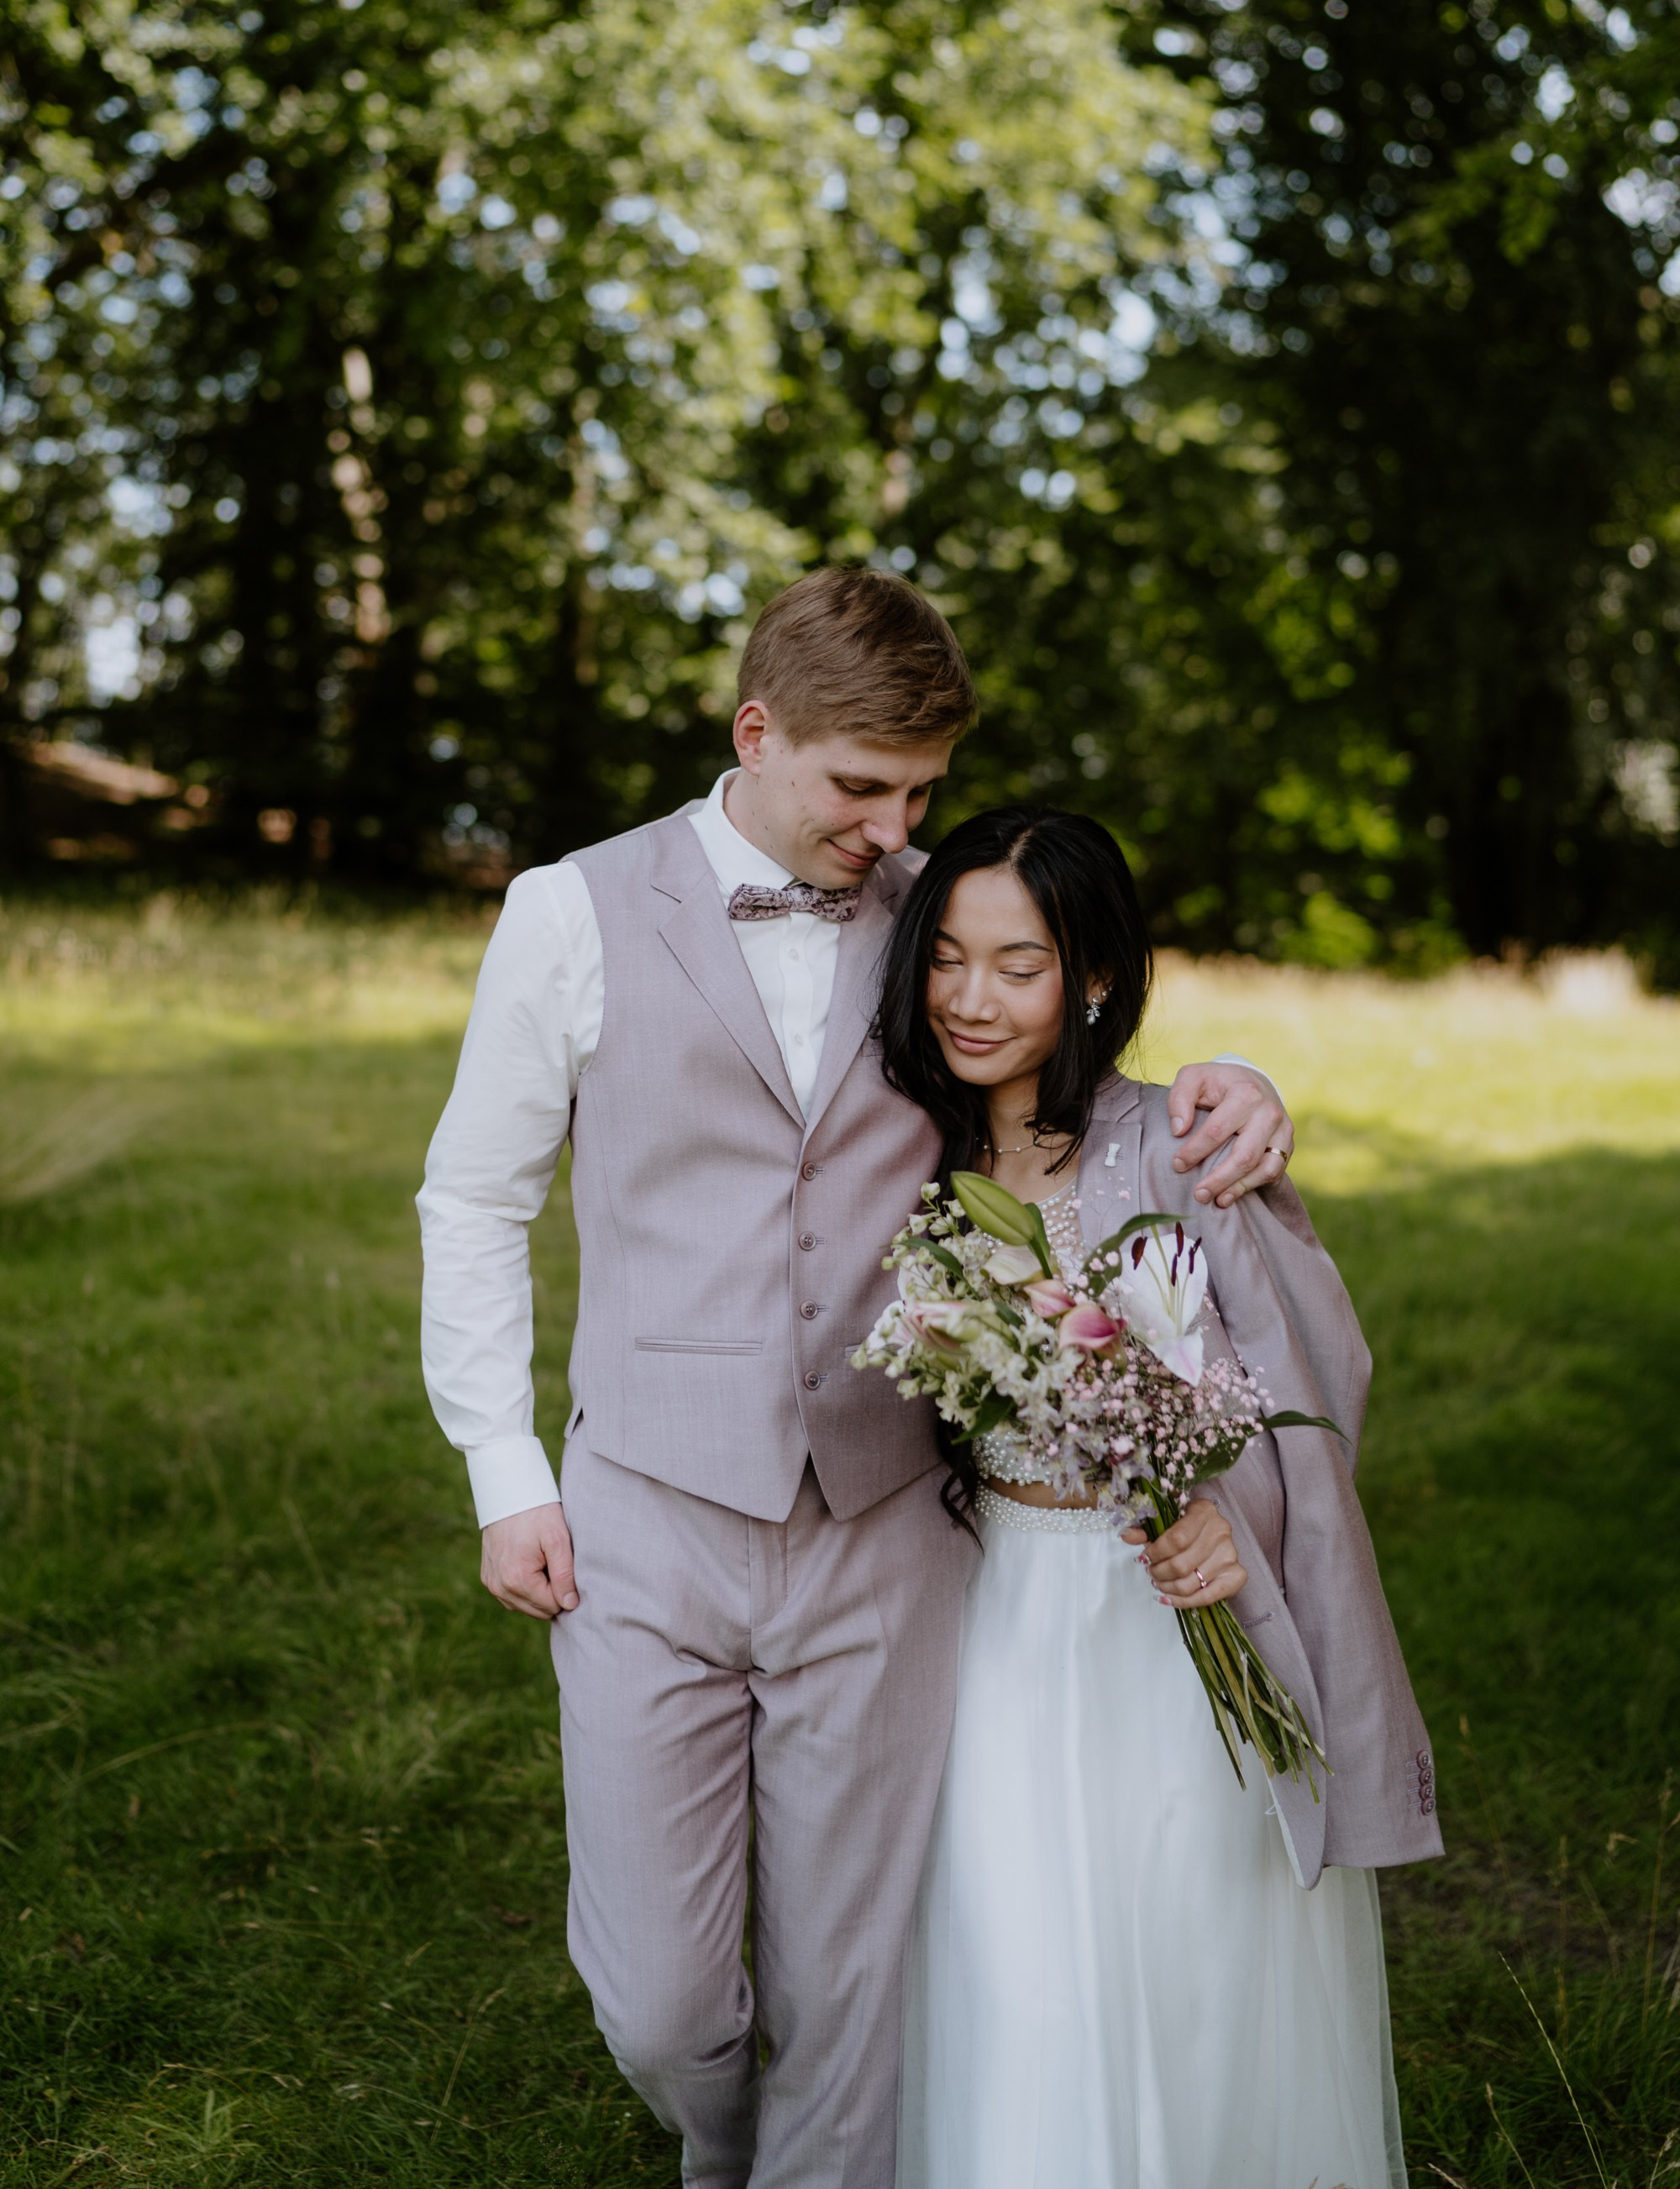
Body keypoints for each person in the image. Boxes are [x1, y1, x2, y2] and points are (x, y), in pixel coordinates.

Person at [417, 570, 1296, 2189]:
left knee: (852, 1994)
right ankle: (722, 2152)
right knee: (667, 2007)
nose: (895, 831)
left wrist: (1241, 1079)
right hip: (644, 1518)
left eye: (922, 796)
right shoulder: (568, 910)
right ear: (757, 733)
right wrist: (504, 1470)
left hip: (887, 1522)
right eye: (864, 788)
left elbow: (1072, 1046)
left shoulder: (928, 915)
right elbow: (474, 1201)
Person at [876, 805, 1441, 2189]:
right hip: (993, 1608)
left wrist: (1218, 1517)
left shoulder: (1175, 1152)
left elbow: (1294, 1379)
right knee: (1014, 1953)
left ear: (1093, 978)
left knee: (1187, 1943)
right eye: (945, 958)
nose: (970, 998)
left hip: (1164, 1618)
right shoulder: (909, 1149)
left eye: (1018, 965)